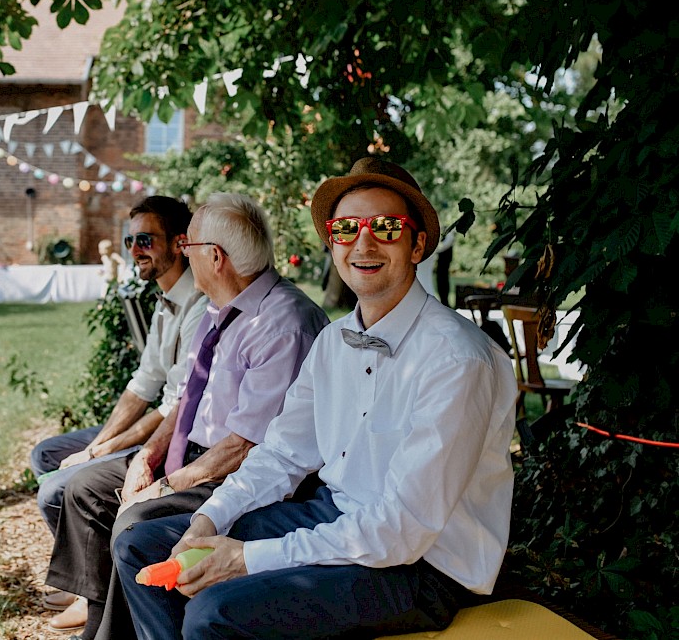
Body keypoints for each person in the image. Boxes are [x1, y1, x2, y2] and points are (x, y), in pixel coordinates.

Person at [114, 158, 519, 640]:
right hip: (337, 515)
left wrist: (246, 558)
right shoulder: (335, 340)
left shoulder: (457, 358)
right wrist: (209, 518)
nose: (363, 243)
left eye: (386, 228)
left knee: (215, 611)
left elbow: (402, 530)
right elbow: (282, 453)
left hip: (425, 565)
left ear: (418, 244)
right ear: (332, 243)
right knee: (142, 545)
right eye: (346, 229)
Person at [44, 192, 330, 640]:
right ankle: (101, 618)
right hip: (190, 453)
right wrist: (147, 458)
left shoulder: (283, 324)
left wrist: (164, 484)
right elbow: (184, 400)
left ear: (215, 257)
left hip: (235, 472)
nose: (182, 253)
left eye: (188, 246)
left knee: (136, 522)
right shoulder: (220, 308)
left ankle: (116, 634)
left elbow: (244, 447)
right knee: (85, 489)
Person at [31, 196, 208, 629]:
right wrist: (93, 446)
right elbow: (141, 385)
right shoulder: (165, 302)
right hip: (160, 422)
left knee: (58, 490)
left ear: (180, 243)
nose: (134, 250)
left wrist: (97, 454)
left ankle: (94, 596)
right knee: (47, 456)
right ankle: (91, 580)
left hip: (177, 436)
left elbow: (174, 407)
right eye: (129, 240)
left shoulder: (199, 305)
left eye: (145, 239)